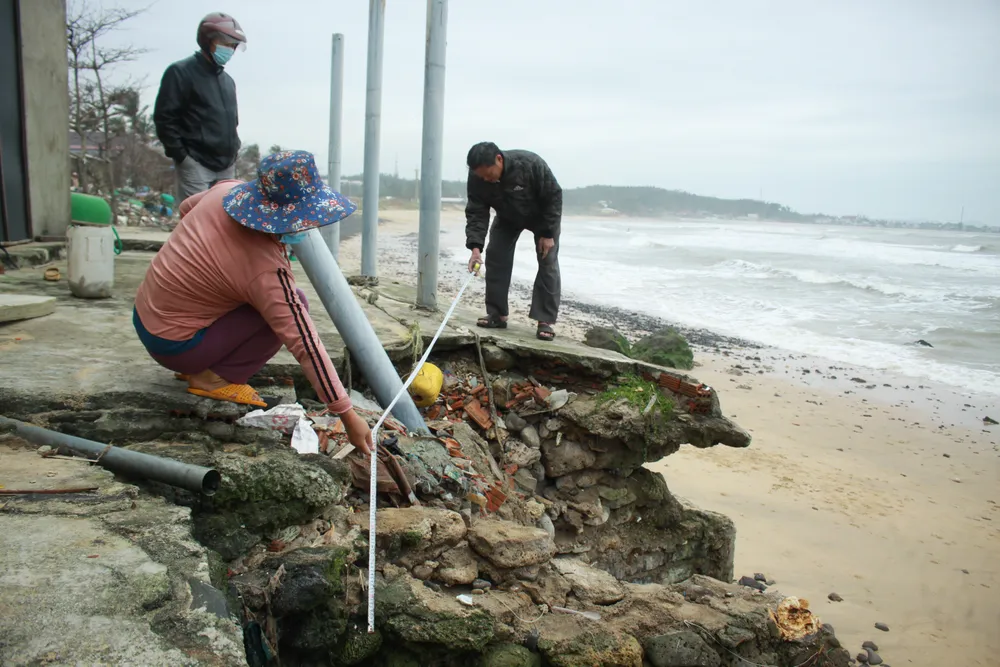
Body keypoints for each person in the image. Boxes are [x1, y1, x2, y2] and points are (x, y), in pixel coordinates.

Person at [132, 150, 373, 454]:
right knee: (293, 303)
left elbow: (186, 207)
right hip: (174, 346)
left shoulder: (225, 191)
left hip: (145, 314)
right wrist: (347, 415)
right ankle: (213, 378)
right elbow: (305, 342)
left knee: (261, 300)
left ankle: (200, 360)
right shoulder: (266, 269)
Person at [464, 142, 562, 341]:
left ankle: (545, 320)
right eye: (481, 176)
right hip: (507, 216)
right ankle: (497, 314)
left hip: (541, 217)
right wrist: (475, 248)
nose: (485, 179)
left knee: (547, 261)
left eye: (488, 173)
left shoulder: (529, 164)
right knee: (495, 255)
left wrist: (548, 233)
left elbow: (553, 196)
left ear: (499, 159)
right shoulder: (477, 177)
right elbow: (476, 212)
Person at [153, 12, 246, 205]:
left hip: (226, 165)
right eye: (225, 43)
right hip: (196, 163)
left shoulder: (227, 81)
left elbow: (232, 122)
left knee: (226, 221)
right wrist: (182, 157)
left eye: (233, 46)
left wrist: (234, 151)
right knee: (197, 220)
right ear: (207, 40)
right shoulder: (181, 72)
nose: (230, 50)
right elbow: (165, 118)